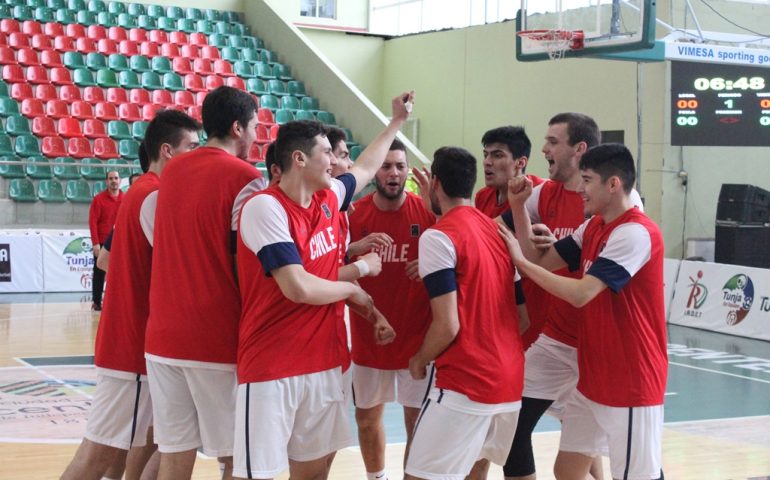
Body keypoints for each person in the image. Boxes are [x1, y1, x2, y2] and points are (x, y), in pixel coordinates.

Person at [233, 91, 413, 480]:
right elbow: (297, 287)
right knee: (256, 475)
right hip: (272, 367)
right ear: (299, 159)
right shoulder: (266, 208)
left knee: (314, 473)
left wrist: (396, 122)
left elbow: (366, 166)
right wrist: (357, 278)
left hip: (326, 364)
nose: (335, 161)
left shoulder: (330, 197)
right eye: (326, 153)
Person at [500, 143, 667, 480]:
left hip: (630, 380)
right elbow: (541, 261)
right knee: (568, 468)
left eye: (587, 180)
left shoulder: (635, 233)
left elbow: (581, 293)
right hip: (593, 377)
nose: (579, 189)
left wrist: (518, 262)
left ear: (614, 184)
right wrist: (518, 209)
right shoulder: (592, 227)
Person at [61, 110, 201, 480]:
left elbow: (108, 260)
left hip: (137, 345)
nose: (199, 154)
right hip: (131, 348)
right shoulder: (154, 195)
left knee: (151, 445)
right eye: (193, 147)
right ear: (168, 151)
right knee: (98, 454)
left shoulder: (140, 191)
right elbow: (181, 268)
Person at [144, 86, 265, 480]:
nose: (256, 136)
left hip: (162, 337)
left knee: (175, 456)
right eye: (254, 127)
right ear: (237, 127)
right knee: (237, 458)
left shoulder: (173, 169)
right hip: (214, 338)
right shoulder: (247, 177)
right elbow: (242, 262)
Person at [405, 146, 526, 480]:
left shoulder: (438, 237)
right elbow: (523, 317)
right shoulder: (499, 233)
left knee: (419, 476)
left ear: (436, 184)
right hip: (510, 384)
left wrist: (418, 359)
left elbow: (447, 325)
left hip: (466, 384)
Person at [348, 139, 436, 480]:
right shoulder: (356, 216)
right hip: (370, 339)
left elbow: (456, 262)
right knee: (367, 420)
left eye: (400, 166)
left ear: (408, 172)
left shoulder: (426, 214)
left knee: (418, 422)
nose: (393, 173)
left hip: (417, 340)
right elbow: (336, 274)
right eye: (385, 166)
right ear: (374, 172)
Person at [475, 126, 542, 351]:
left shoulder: (538, 193)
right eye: (485, 154)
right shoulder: (483, 196)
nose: (487, 162)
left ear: (520, 162)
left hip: (533, 310)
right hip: (496, 305)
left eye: (497, 155)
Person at [88, 169, 123, 311]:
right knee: (99, 273)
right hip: (102, 242)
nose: (113, 180)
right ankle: (96, 302)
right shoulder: (98, 199)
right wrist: (95, 243)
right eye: (111, 178)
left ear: (120, 180)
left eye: (116, 178)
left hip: (120, 242)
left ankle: (119, 302)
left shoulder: (126, 198)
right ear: (106, 181)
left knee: (121, 274)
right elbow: (92, 222)